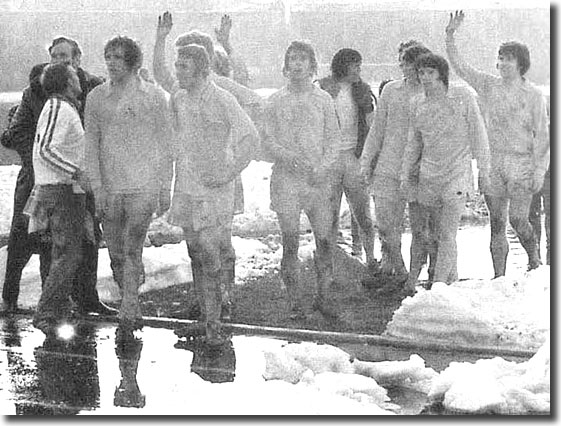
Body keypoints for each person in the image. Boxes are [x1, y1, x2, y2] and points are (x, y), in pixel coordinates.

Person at [154, 11, 263, 321]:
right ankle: (204, 300)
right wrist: (160, 38)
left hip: (220, 175)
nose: (179, 65)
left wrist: (230, 150)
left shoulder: (222, 87)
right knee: (195, 244)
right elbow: (161, 74)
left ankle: (222, 296)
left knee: (218, 241)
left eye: (187, 55)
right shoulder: (180, 91)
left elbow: (253, 98)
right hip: (189, 177)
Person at [0, 36, 114, 315]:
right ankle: (13, 298)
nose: (60, 61)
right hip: (42, 176)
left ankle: (84, 298)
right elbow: (20, 133)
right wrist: (39, 164)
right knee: (25, 237)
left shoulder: (94, 87)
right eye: (55, 56)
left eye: (65, 55)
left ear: (78, 58)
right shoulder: (37, 91)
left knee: (86, 239)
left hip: (79, 177)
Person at [445, 10, 549, 277]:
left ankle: (534, 258)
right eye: (500, 59)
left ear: (520, 63)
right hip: (494, 161)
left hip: (522, 162)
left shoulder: (534, 95)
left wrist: (539, 171)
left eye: (508, 59)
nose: (502, 63)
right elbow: (461, 68)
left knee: (518, 219)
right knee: (497, 222)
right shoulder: (489, 86)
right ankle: (499, 276)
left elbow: (543, 136)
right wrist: (450, 35)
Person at [84, 36, 173, 329]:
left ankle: (129, 306)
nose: (111, 63)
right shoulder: (97, 97)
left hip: (142, 185)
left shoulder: (154, 97)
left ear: (133, 62)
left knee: (132, 245)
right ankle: (129, 293)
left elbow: (165, 143)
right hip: (110, 186)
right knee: (116, 252)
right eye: (108, 56)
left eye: (118, 57)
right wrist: (97, 187)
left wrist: (163, 186)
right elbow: (91, 145)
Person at [262, 40, 341, 320]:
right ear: (285, 66)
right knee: (290, 241)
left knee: (325, 240)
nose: (296, 64)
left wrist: (323, 167)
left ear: (311, 65)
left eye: (302, 59)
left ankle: (324, 296)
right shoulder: (275, 100)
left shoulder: (323, 100)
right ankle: (295, 300)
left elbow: (334, 141)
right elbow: (267, 141)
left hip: (317, 181)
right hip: (286, 180)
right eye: (292, 58)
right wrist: (287, 157)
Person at [402, 53, 491, 287]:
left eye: (430, 72)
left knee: (447, 232)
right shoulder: (417, 103)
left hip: (458, 173)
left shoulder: (462, 97)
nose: (425, 78)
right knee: (434, 235)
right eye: (421, 73)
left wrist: (484, 169)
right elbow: (414, 142)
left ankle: (438, 286)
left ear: (441, 74)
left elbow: (478, 133)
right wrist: (406, 174)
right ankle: (450, 281)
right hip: (429, 174)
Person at [360, 43, 435, 293]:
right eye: (402, 61)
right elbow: (377, 130)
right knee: (386, 226)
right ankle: (399, 271)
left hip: (417, 171)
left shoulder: (431, 93)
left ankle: (417, 277)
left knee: (419, 229)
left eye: (409, 62)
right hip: (387, 168)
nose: (404, 67)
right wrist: (366, 161)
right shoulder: (391, 90)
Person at [29, 63, 91, 333]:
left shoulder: (67, 107)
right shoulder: (57, 107)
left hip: (66, 190)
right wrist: (76, 172)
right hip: (60, 189)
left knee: (66, 253)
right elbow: (45, 150)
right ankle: (46, 313)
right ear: (66, 81)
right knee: (67, 255)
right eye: (74, 75)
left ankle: (59, 308)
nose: (79, 78)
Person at [317, 48, 377, 269]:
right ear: (343, 66)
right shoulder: (323, 88)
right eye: (355, 66)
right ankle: (332, 262)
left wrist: (369, 158)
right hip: (329, 158)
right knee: (329, 214)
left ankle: (370, 258)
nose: (358, 71)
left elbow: (372, 124)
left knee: (363, 213)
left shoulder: (362, 91)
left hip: (353, 156)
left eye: (360, 66)